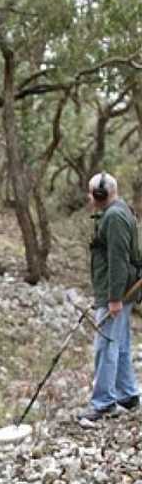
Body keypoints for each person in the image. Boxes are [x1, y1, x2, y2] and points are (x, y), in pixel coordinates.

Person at [77, 171, 140, 426]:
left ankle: (103, 403)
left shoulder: (114, 217)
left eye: (93, 193)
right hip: (118, 290)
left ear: (100, 195)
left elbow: (118, 260)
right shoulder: (117, 210)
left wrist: (114, 298)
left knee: (105, 346)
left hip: (116, 293)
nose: (90, 197)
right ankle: (128, 395)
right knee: (121, 343)